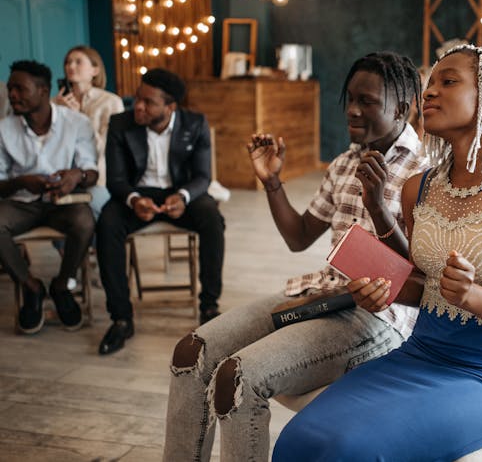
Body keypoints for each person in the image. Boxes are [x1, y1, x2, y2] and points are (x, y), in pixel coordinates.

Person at [273, 45, 482, 461]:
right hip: (418, 355)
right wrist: (382, 290)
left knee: (353, 451)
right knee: (297, 439)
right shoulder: (418, 188)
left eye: (448, 82)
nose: (429, 93)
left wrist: (473, 296)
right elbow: (423, 285)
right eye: (429, 84)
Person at [161, 51, 427, 461]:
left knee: (238, 377)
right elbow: (300, 236)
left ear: (403, 108)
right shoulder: (344, 163)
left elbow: (424, 274)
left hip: (379, 317)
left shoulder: (426, 172)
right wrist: (272, 182)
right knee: (191, 352)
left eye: (367, 101)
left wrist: (379, 208)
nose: (352, 111)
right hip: (325, 295)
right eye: (350, 99)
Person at [96, 68, 225, 355]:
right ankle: (120, 318)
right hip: (136, 194)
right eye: (137, 98)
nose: (137, 106)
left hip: (180, 193)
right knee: (106, 224)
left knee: (212, 218)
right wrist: (133, 199)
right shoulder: (120, 124)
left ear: (170, 107)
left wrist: (182, 196)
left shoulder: (195, 123)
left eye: (148, 102)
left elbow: (203, 176)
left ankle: (209, 307)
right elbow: (115, 178)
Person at [0, 60, 98, 333]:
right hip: (21, 202)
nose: (13, 95)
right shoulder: (4, 129)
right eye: (10, 89)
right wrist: (22, 182)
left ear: (43, 90)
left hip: (63, 203)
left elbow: (92, 172)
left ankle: (61, 285)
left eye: (20, 88)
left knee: (85, 222)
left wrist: (76, 176)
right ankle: (31, 286)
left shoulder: (77, 123)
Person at [53, 45, 124, 218]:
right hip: (61, 177)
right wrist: (59, 114)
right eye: (68, 62)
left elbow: (106, 149)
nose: (71, 66)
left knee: (91, 212)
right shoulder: (55, 103)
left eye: (78, 62)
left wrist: (78, 117)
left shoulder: (110, 102)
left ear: (95, 70)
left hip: (98, 178)